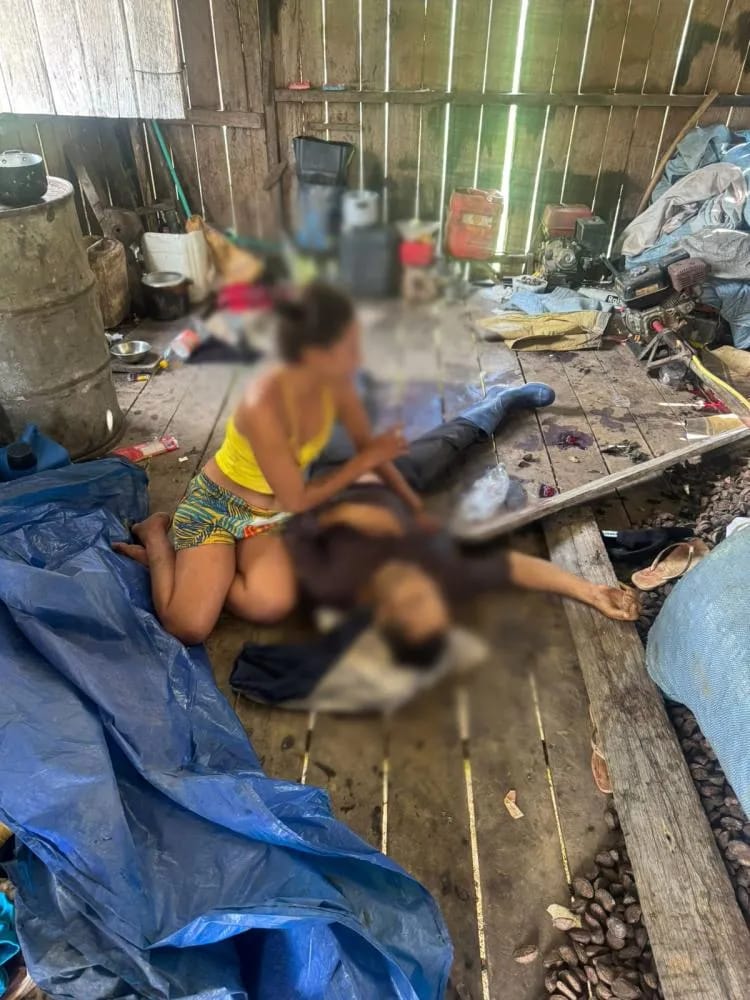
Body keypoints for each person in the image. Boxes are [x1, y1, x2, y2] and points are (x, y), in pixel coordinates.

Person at [116, 281, 424, 644]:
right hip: (215, 509)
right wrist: (366, 462)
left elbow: (371, 448)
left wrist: (415, 509)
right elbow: (301, 496)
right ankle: (157, 540)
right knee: (188, 627)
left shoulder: (337, 385)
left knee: (272, 605)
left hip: (268, 519)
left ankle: (200, 575)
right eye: (346, 348)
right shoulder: (262, 404)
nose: (356, 359)